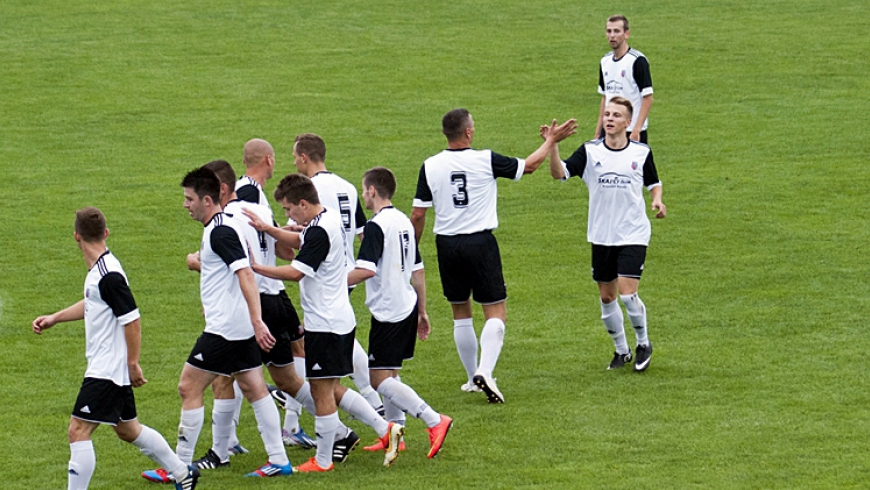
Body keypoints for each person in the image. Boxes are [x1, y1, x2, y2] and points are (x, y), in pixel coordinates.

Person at [411, 108, 578, 403]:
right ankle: (485, 372)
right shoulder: (484, 159)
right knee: (496, 312)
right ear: (468, 132)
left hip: (446, 245)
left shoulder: (430, 165)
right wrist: (551, 140)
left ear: (444, 134)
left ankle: (471, 378)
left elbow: (417, 214)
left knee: (460, 313)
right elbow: (528, 166)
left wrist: (412, 250)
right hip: (480, 243)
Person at [31, 207, 199, 490]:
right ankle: (183, 473)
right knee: (127, 429)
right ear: (105, 234)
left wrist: (133, 363)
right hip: (110, 365)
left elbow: (132, 319)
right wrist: (55, 318)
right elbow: (94, 303)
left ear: (75, 236)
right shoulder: (101, 271)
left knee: (78, 430)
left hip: (107, 368)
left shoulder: (108, 275)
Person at [246, 173, 403, 472]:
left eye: (290, 210)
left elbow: (296, 272)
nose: (288, 216)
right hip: (337, 319)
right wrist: (270, 229)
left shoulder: (318, 232)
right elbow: (299, 238)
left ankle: (323, 461)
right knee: (329, 388)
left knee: (321, 393)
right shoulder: (325, 220)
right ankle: (385, 429)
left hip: (326, 323)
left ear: (303, 204)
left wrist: (255, 268)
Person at [155, 167, 292, 479]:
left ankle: (178, 468)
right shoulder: (225, 224)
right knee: (254, 387)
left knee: (188, 386)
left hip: (226, 329)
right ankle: (279, 460)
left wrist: (257, 321)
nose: (185, 205)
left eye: (189, 199)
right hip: (237, 323)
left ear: (207, 199)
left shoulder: (220, 231)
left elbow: (245, 274)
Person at [545, 96, 666, 372]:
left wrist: (657, 200)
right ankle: (621, 350)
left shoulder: (641, 153)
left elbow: (654, 183)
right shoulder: (590, 152)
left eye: (615, 115)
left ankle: (643, 343)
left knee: (626, 294)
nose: (609, 118)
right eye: (607, 114)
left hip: (633, 233)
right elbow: (558, 174)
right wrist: (553, 144)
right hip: (601, 235)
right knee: (607, 297)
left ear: (628, 122)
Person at [348, 167, 453, 459]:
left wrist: (330, 281)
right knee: (390, 373)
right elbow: (417, 268)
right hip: (405, 304)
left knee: (378, 379)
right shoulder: (404, 222)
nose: (363, 195)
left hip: (388, 310)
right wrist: (422, 309)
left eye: (363, 189)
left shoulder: (376, 225)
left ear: (371, 190)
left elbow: (365, 269)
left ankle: (434, 419)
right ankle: (396, 435)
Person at [290, 133, 384, 415]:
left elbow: (295, 234)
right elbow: (362, 233)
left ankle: (293, 421)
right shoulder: (347, 186)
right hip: (346, 271)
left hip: (322, 273)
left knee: (311, 346)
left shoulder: (307, 190)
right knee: (338, 338)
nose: (294, 161)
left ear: (304, 157)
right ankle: (373, 399)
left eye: (295, 156)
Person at [230, 139, 314, 448]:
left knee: (290, 353)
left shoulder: (256, 195)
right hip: (263, 291)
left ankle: (291, 426)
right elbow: (275, 246)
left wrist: (292, 232)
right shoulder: (248, 195)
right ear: (269, 160)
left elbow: (277, 245)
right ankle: (299, 428)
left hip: (271, 290)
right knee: (242, 369)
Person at [594, 14, 654, 144]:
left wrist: (636, 130)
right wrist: (599, 131)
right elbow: (605, 97)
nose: (612, 35)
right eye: (609, 31)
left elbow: (648, 97)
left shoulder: (637, 61)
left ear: (626, 34)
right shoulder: (605, 61)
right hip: (609, 131)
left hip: (631, 131)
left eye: (616, 31)